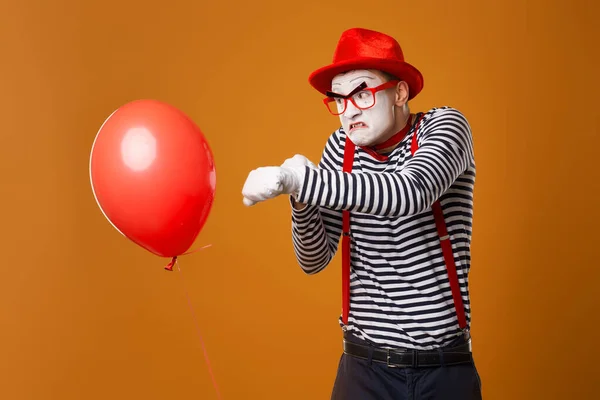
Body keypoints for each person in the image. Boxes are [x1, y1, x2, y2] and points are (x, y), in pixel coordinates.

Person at [241, 27, 482, 400]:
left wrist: (304, 181)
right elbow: (314, 259)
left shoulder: (445, 126)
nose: (348, 110)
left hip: (443, 371)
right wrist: (301, 200)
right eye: (338, 99)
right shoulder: (342, 149)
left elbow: (411, 192)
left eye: (362, 93)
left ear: (400, 92)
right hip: (363, 372)